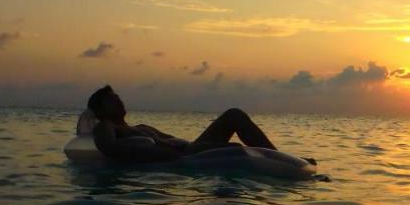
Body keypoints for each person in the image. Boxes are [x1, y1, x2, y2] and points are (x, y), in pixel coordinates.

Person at [83, 85, 280, 163]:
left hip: (189, 148)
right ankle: (276, 160)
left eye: (118, 96)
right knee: (236, 148)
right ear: (100, 110)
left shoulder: (141, 127)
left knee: (234, 115)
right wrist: (152, 147)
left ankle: (278, 157)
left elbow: (169, 139)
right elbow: (108, 148)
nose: (119, 100)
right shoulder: (106, 126)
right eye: (112, 99)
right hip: (183, 157)